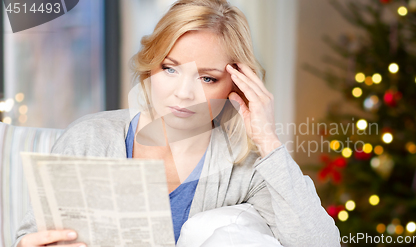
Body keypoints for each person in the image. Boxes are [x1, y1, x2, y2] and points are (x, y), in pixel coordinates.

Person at [13, 0, 341, 246]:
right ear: (151, 67)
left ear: (235, 86)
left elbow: (319, 243)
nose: (183, 94)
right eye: (170, 69)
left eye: (208, 78)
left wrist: (268, 140)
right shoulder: (89, 139)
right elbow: (32, 236)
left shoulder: (245, 167)